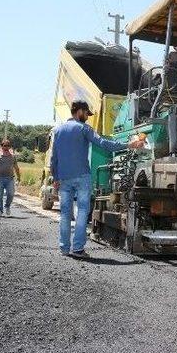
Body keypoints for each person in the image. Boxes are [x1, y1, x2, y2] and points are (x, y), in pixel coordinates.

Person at [50, 100, 144, 259]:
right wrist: (130, 145)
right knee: (81, 212)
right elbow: (103, 143)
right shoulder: (84, 129)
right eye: (86, 113)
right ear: (79, 111)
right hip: (81, 177)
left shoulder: (58, 131)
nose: (87, 117)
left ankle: (64, 248)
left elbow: (54, 158)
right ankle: (78, 249)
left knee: (65, 214)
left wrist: (56, 177)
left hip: (64, 178)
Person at [0, 139, 21, 217]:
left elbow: (16, 168)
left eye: (8, 146)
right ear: (2, 146)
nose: (6, 147)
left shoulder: (13, 157)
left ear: (10, 147)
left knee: (11, 194)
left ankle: (7, 206)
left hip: (10, 179)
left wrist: (19, 178)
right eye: (5, 146)